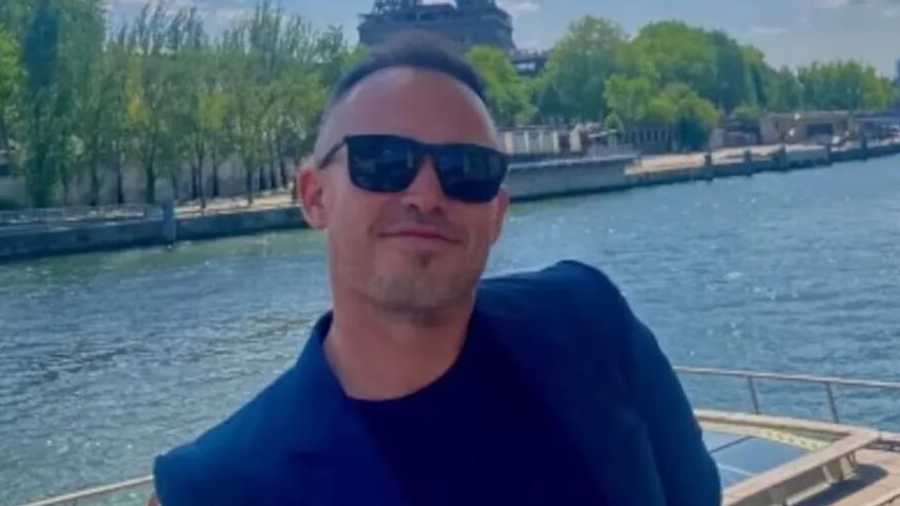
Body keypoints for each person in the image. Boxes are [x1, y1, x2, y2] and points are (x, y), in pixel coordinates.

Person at [151, 33, 721, 506]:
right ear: (313, 195)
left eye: (466, 169)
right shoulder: (211, 489)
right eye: (383, 160)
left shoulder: (591, 319)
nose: (426, 194)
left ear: (496, 214)